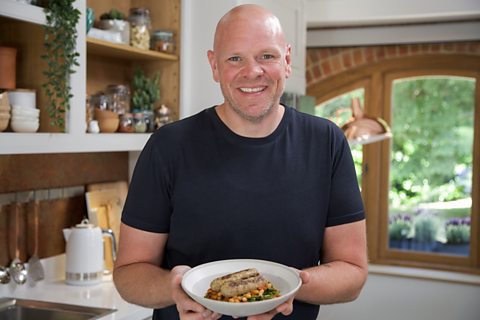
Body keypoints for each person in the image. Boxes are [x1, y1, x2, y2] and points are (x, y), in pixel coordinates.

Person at [113, 4, 368, 320]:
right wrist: (173, 287)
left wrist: (291, 286)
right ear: (214, 65)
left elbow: (353, 273)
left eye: (266, 56)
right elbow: (128, 275)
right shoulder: (168, 146)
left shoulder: (327, 143)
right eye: (235, 58)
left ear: (287, 61)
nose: (252, 72)